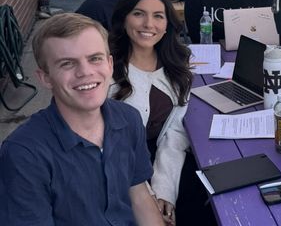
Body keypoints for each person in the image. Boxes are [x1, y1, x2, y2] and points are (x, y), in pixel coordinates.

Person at [0, 13, 163, 225]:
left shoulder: (129, 119)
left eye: (95, 58)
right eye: (67, 63)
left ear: (110, 64)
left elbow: (138, 194)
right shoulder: (23, 154)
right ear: (45, 78)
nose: (85, 72)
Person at [109, 0, 214, 225]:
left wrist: (165, 191)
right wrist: (149, 197)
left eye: (158, 16)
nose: (149, 24)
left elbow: (175, 132)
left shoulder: (177, 63)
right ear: (123, 18)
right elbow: (117, 151)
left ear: (168, 23)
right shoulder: (106, 70)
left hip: (166, 158)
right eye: (138, 14)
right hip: (119, 171)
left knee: (211, 206)